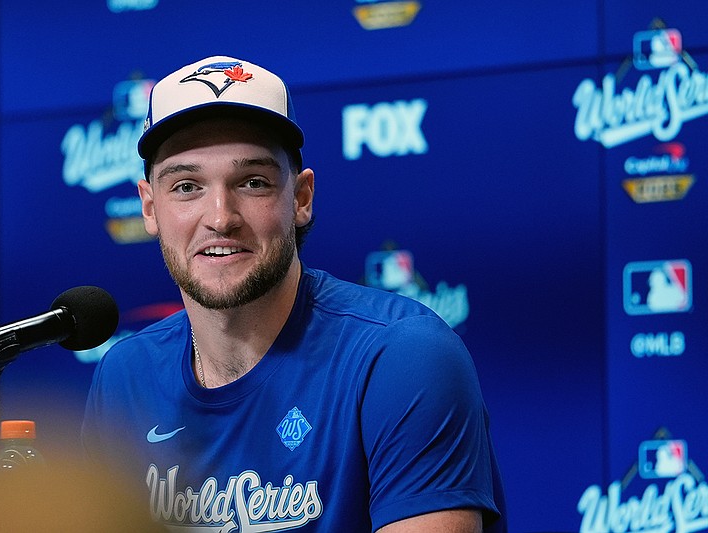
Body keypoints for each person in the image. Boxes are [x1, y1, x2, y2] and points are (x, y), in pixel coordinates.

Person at [82, 55, 506, 532]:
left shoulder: (401, 355)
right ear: (149, 206)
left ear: (301, 199)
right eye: (186, 186)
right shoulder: (126, 376)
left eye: (253, 182)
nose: (220, 217)